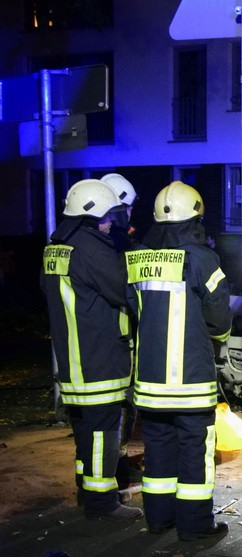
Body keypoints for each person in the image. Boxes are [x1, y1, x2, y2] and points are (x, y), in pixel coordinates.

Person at [127, 181, 232, 541]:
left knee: (157, 451)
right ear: (196, 217)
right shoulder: (202, 258)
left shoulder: (138, 256)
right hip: (191, 381)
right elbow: (219, 317)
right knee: (195, 451)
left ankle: (158, 519)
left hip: (150, 381)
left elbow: (132, 309)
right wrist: (215, 341)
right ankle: (196, 525)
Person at [41, 179, 142, 520]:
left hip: (71, 361)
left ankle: (87, 492)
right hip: (99, 358)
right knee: (102, 432)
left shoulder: (56, 247)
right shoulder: (91, 248)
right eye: (106, 218)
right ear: (91, 215)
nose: (110, 223)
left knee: (85, 434)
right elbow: (122, 291)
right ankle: (102, 503)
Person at [101, 172, 141, 501]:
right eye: (125, 209)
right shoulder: (111, 247)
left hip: (112, 343)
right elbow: (126, 294)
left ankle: (114, 475)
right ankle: (111, 483)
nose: (129, 216)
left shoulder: (107, 243)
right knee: (115, 415)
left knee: (114, 416)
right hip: (113, 345)